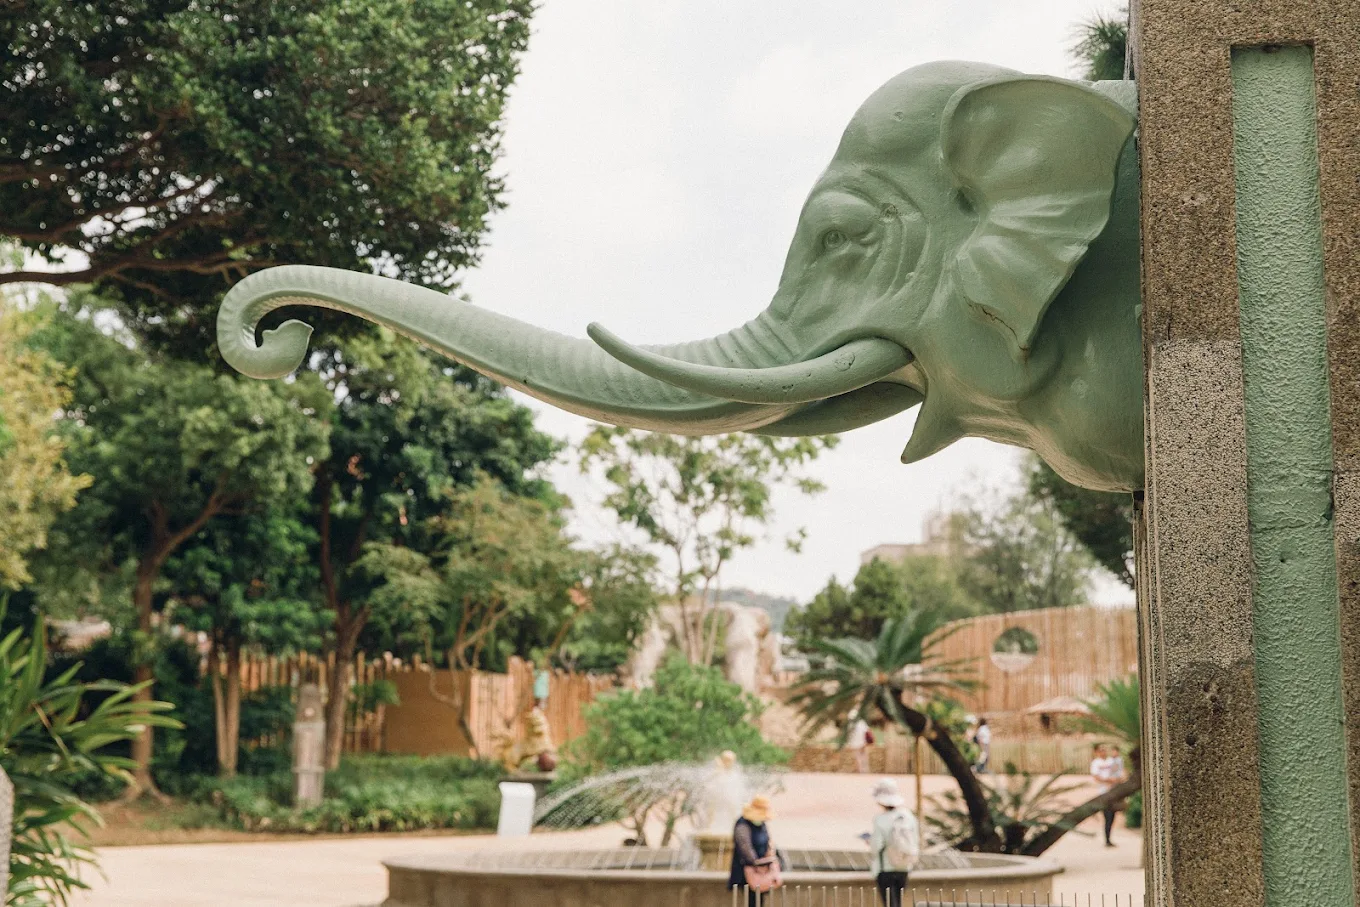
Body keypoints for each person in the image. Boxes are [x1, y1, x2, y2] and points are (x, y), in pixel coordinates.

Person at [868, 778, 919, 907]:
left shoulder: (880, 820)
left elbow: (876, 847)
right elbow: (915, 840)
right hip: (904, 867)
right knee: (898, 902)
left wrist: (869, 841)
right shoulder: (908, 817)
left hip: (886, 869)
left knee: (890, 904)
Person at [728, 795, 781, 904]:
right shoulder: (742, 825)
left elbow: (768, 842)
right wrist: (756, 863)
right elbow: (744, 846)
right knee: (752, 900)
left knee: (758, 900)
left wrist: (769, 858)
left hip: (762, 870)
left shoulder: (761, 824)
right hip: (747, 871)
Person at [1090, 743, 1128, 846]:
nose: (1103, 752)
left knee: (1112, 817)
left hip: (1113, 791)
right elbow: (1096, 777)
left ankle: (1108, 838)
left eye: (1104, 749)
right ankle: (1107, 839)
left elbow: (1118, 770)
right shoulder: (1096, 763)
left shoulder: (1111, 761)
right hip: (1103, 792)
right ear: (1097, 752)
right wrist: (1108, 781)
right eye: (1101, 750)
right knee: (1107, 816)